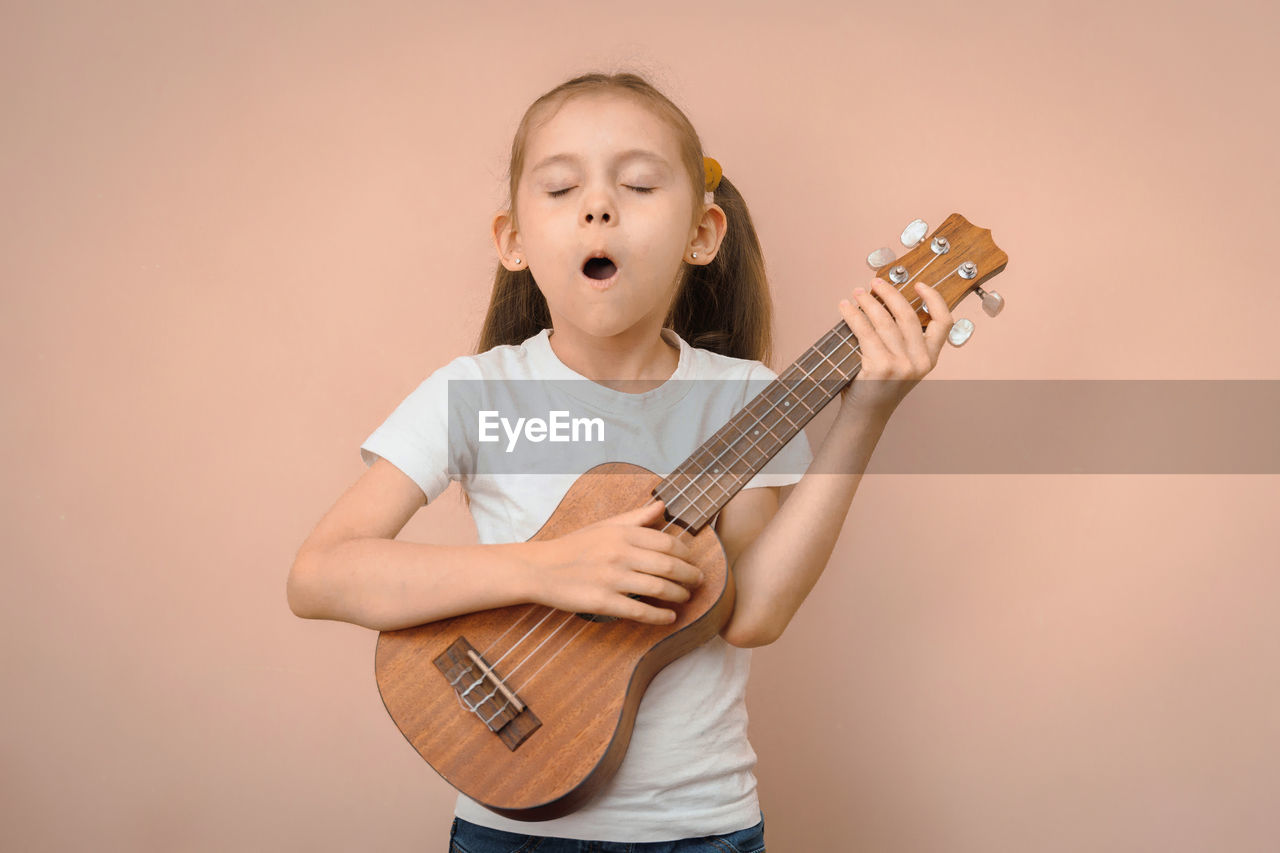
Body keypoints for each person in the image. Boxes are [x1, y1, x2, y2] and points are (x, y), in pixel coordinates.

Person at [287, 70, 953, 853]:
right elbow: (320, 575)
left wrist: (865, 414)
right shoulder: (474, 393)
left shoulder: (743, 396)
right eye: (562, 187)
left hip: (700, 827)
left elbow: (754, 613)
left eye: (638, 183)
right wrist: (548, 568)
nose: (598, 206)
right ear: (513, 241)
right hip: (508, 829)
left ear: (703, 234)